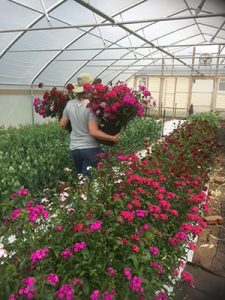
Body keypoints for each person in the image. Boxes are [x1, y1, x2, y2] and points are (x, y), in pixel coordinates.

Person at [60, 73, 120, 177]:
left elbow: (62, 124)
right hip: (90, 148)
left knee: (81, 179)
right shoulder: (91, 106)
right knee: (87, 184)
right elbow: (93, 131)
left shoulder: (69, 104)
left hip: (74, 148)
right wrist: (112, 138)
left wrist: (76, 129)